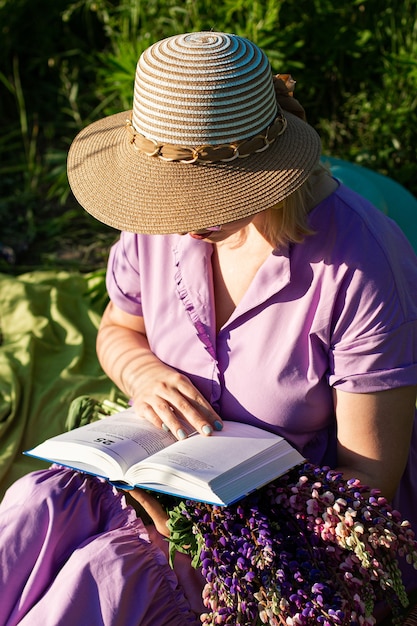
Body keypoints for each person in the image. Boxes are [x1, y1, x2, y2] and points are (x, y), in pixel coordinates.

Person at [0, 31, 416, 626]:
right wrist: (143, 373)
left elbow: (371, 480)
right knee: (31, 504)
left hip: (285, 524)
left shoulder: (361, 265)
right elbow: (119, 327)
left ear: (266, 172)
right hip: (156, 472)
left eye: (210, 198)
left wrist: (207, 526)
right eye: (173, 199)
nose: (186, 223)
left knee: (107, 574)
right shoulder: (160, 217)